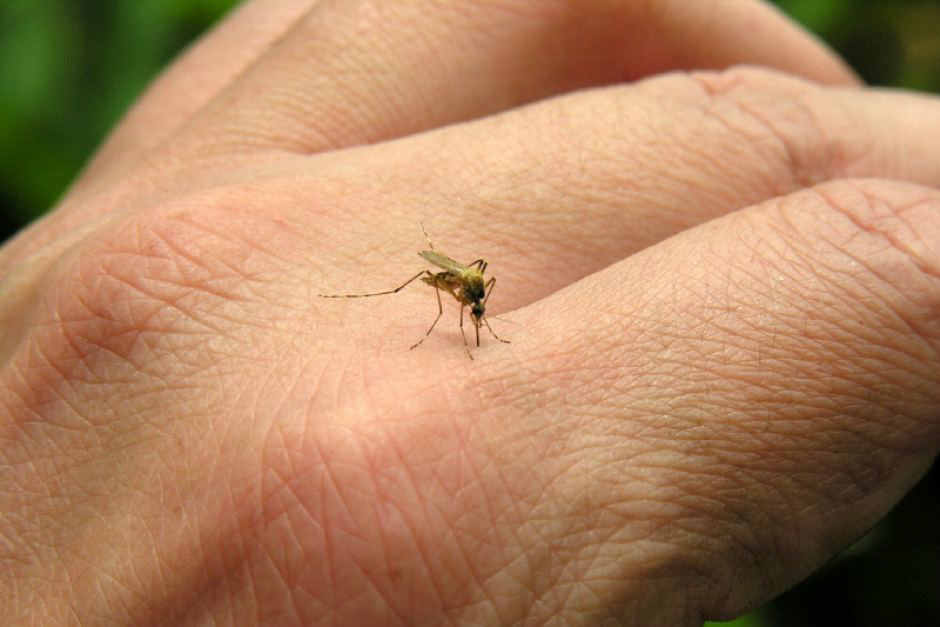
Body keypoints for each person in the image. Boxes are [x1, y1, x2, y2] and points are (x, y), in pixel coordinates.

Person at [2, 1, 938, 625]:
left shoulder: (478, 287)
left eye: (475, 296)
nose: (474, 301)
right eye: (474, 296)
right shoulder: (447, 285)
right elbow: (447, 279)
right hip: (424, 273)